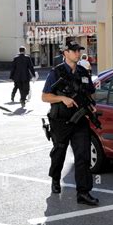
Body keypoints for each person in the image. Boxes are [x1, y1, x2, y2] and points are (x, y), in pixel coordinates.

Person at [41, 39, 99, 206]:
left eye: (78, 50)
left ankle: (83, 192)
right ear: (65, 53)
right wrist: (62, 98)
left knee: (83, 156)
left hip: (80, 120)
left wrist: (91, 106)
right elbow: (45, 96)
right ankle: (55, 178)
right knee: (59, 153)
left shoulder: (83, 72)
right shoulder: (56, 72)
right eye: (73, 50)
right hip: (60, 120)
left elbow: (90, 94)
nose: (77, 53)